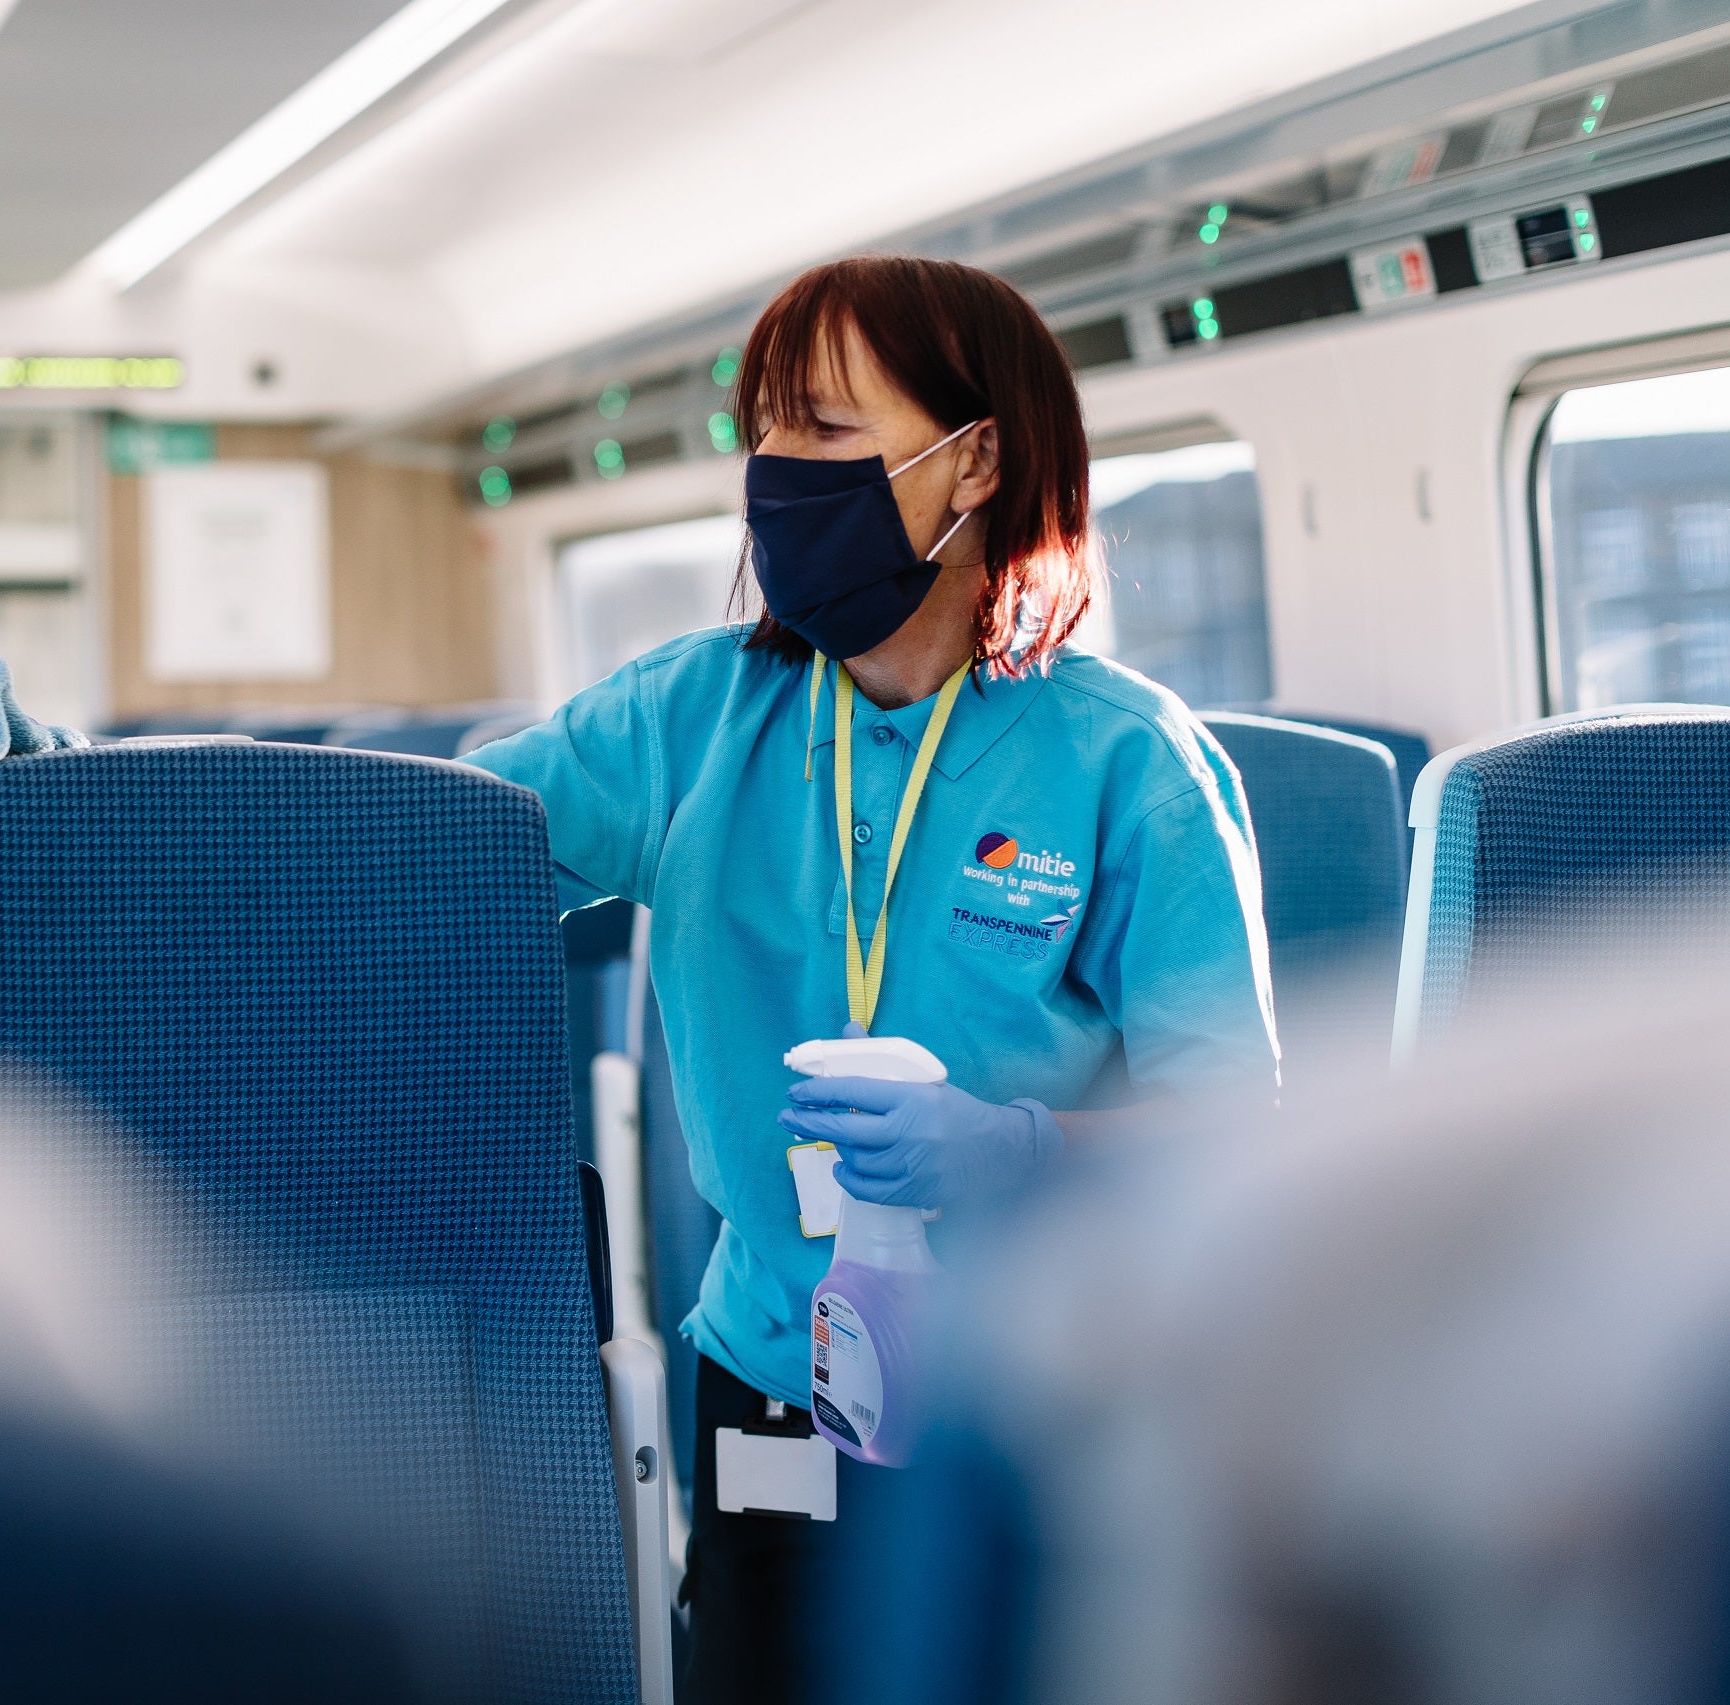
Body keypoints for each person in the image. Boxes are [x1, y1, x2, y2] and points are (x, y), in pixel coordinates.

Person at [466, 254, 1278, 1703]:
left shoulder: (1125, 763)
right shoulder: (690, 719)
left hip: (1036, 1395)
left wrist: (1019, 1151)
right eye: (763, 432)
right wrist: (63, 791)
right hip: (769, 1374)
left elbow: (1236, 1132)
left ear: (971, 462)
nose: (776, 472)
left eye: (825, 430)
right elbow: (407, 848)